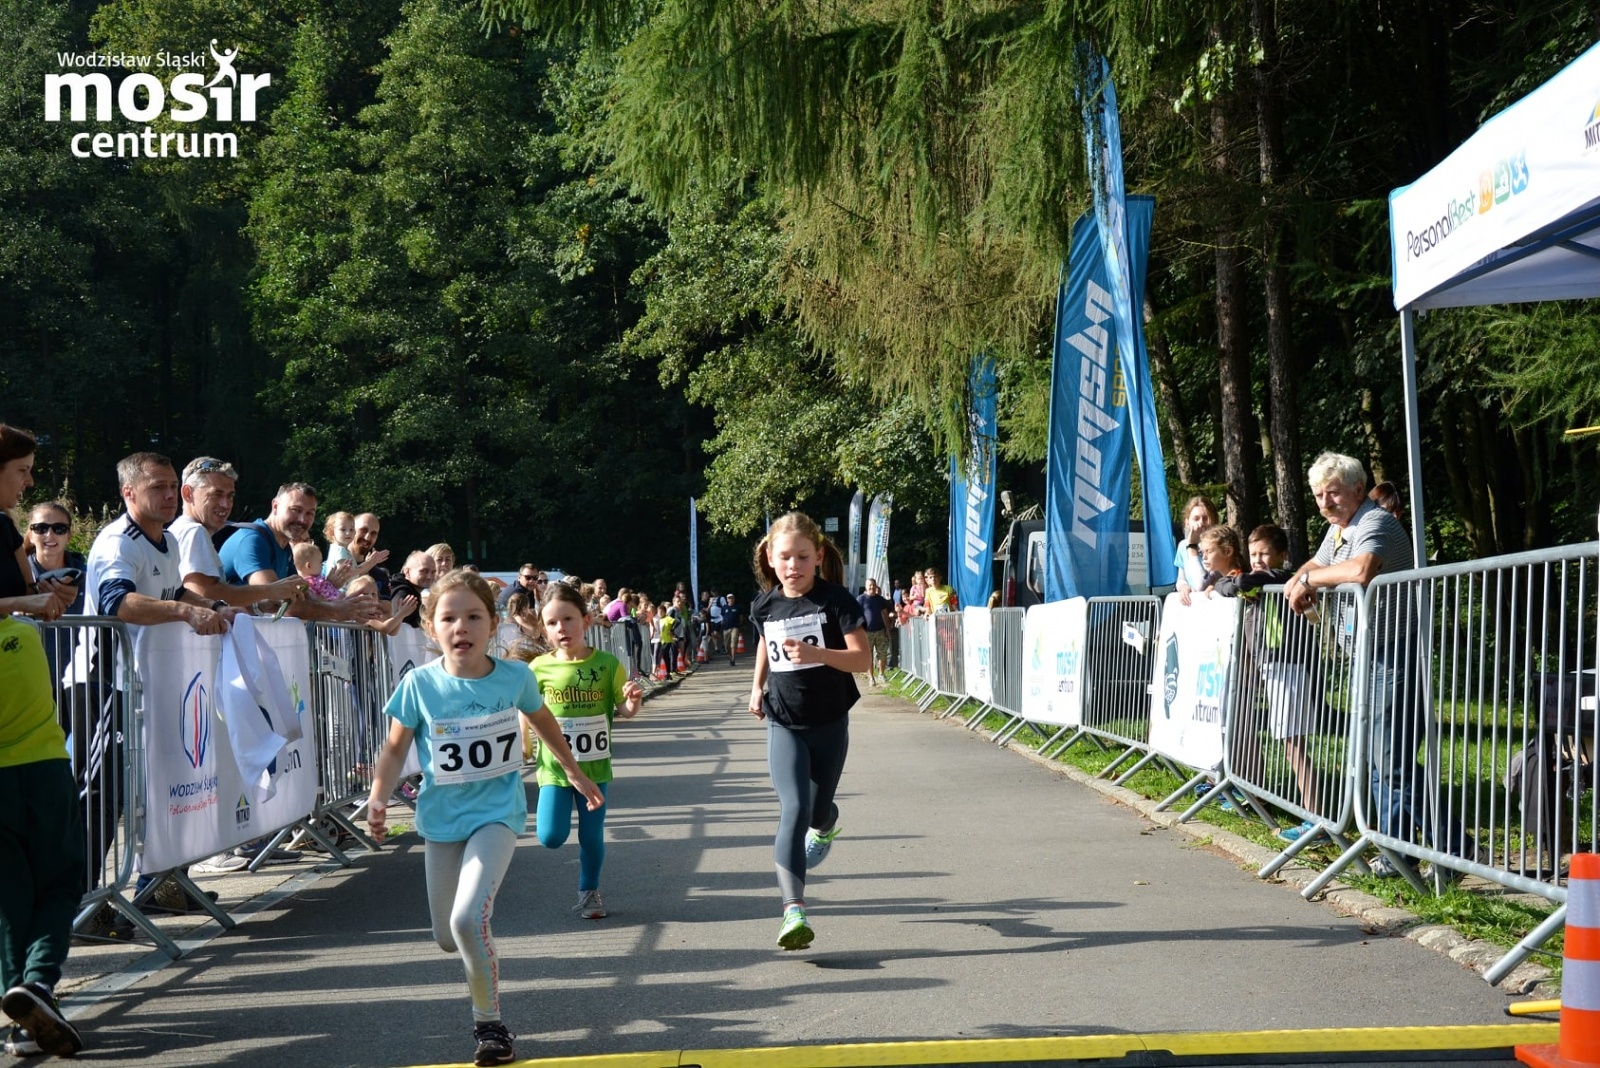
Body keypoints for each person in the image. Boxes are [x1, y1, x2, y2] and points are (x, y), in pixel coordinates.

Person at [366, 569, 602, 1068]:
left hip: (497, 815)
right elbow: (394, 748)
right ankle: (477, 960)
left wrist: (574, 772)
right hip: (441, 821)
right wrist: (379, 797)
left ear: (493, 625)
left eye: (474, 617)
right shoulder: (419, 685)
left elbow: (544, 721)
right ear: (431, 627)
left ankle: (490, 1025)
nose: (462, 627)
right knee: (446, 937)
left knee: (468, 920)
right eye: (449, 618)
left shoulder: (515, 677)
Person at [1285, 452, 1434, 877]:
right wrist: (1298, 578)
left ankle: (1429, 851)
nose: (1325, 503)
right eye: (1318, 495)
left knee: (1391, 760)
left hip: (1394, 652)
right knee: (1378, 759)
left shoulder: (1374, 522)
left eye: (1332, 493)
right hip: (1367, 655)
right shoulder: (1340, 528)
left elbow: (1361, 569)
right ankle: (1420, 849)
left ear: (1357, 488)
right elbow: (1319, 563)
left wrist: (1307, 581)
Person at [747, 512, 871, 950]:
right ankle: (793, 910)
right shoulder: (763, 605)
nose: (793, 565)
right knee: (794, 808)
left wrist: (818, 653)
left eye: (802, 557)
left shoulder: (836, 600)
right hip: (784, 721)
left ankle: (827, 822)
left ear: (818, 556)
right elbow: (765, 641)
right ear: (770, 558)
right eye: (785, 557)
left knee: (817, 811)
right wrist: (757, 686)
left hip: (830, 721)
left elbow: (862, 659)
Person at [0, 608, 87, 1058]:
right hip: (45, 771)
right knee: (59, 885)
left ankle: (21, 1008)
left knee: (9, 901)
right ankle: (38, 982)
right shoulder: (26, 631)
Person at [530, 583, 644, 920]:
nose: (561, 628)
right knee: (551, 836)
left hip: (595, 767)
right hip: (555, 768)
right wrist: (523, 740)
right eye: (552, 623)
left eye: (568, 619)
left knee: (591, 836)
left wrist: (634, 700)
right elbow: (527, 710)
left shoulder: (607, 664)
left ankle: (589, 891)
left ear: (586, 621)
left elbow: (625, 710)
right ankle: (587, 886)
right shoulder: (538, 668)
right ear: (544, 629)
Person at [1212, 524, 1318, 840]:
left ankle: (1316, 818)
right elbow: (1226, 584)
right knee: (1285, 741)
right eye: (1253, 554)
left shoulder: (1283, 578)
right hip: (1269, 668)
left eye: (1264, 554)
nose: (1258, 560)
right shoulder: (1259, 580)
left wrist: (1237, 582)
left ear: (1281, 555)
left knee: (1293, 744)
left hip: (1288, 668)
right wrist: (1232, 583)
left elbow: (1245, 581)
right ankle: (1267, 796)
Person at [219, 482, 380, 623]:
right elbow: (278, 601)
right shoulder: (252, 540)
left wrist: (349, 606)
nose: (303, 520)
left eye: (310, 513)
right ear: (275, 506)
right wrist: (336, 610)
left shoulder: (285, 548)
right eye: (296, 510)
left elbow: (303, 595)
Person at [170, 457, 306, 614]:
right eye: (216, 494)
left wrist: (257, 606)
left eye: (230, 496)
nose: (225, 504)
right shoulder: (194, 531)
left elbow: (200, 600)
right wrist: (269, 590)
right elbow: (203, 594)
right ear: (188, 494)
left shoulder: (180, 530)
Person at [0, 426, 76, 623]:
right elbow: (22, 602)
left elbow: (29, 596)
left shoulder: (5, 525)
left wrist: (56, 593)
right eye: (22, 470)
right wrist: (18, 603)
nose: (30, 481)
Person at [1174, 495, 1221, 603]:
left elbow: (1201, 585)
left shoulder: (1218, 546)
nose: (1201, 523)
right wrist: (1183, 587)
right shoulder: (1183, 546)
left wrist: (1192, 546)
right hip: (1194, 604)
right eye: (1196, 519)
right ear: (1187, 522)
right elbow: (1181, 579)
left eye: (1205, 518)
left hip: (1213, 602)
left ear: (1214, 521)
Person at [856, 578, 895, 686]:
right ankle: (871, 678)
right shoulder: (861, 599)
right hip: (866, 632)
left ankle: (881, 674)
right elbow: (856, 614)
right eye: (870, 585)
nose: (872, 587)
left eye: (873, 585)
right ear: (866, 587)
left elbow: (885, 614)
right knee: (869, 655)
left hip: (880, 631)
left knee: (882, 654)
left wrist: (888, 629)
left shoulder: (880, 600)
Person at [389, 552, 437, 629]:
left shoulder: (409, 591)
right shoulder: (403, 595)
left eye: (433, 572)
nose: (429, 577)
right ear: (407, 572)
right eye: (424, 571)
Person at [721, 592, 743, 667]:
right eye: (729, 598)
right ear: (727, 599)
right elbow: (722, 616)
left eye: (732, 598)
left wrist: (739, 625)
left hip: (735, 627)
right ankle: (730, 656)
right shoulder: (724, 608)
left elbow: (741, 618)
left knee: (733, 643)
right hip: (726, 628)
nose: (730, 599)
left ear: (734, 599)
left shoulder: (737, 607)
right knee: (726, 646)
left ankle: (733, 659)